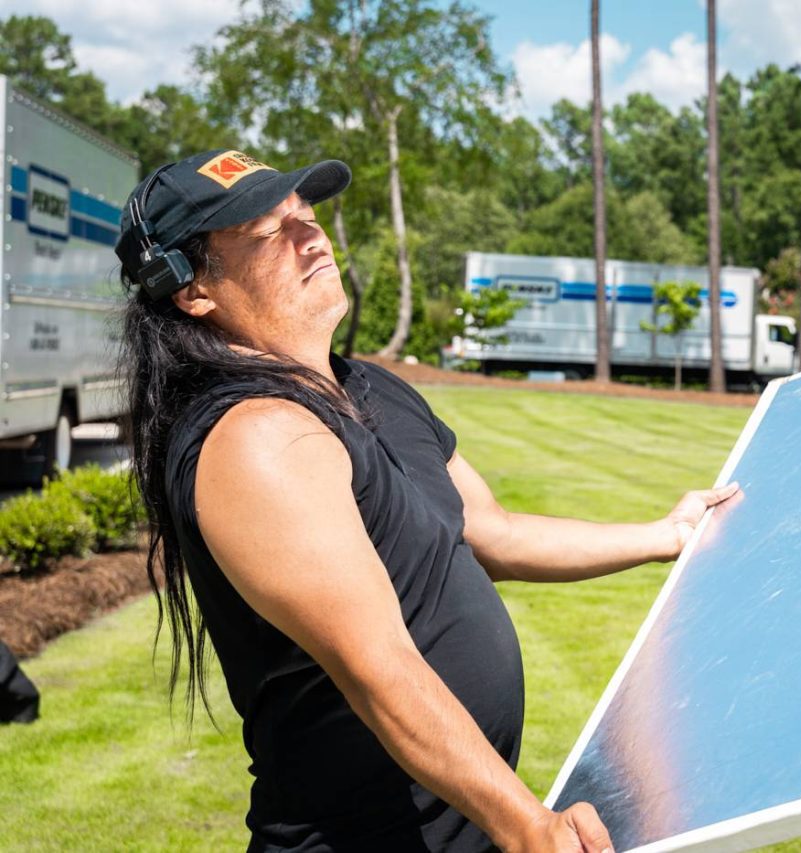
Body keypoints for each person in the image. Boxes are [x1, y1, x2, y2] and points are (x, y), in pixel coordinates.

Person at [114, 149, 738, 852]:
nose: (311, 236)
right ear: (193, 288)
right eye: (267, 231)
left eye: (306, 216)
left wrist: (663, 534)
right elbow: (379, 667)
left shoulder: (370, 387)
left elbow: (489, 529)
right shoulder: (255, 439)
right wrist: (529, 825)